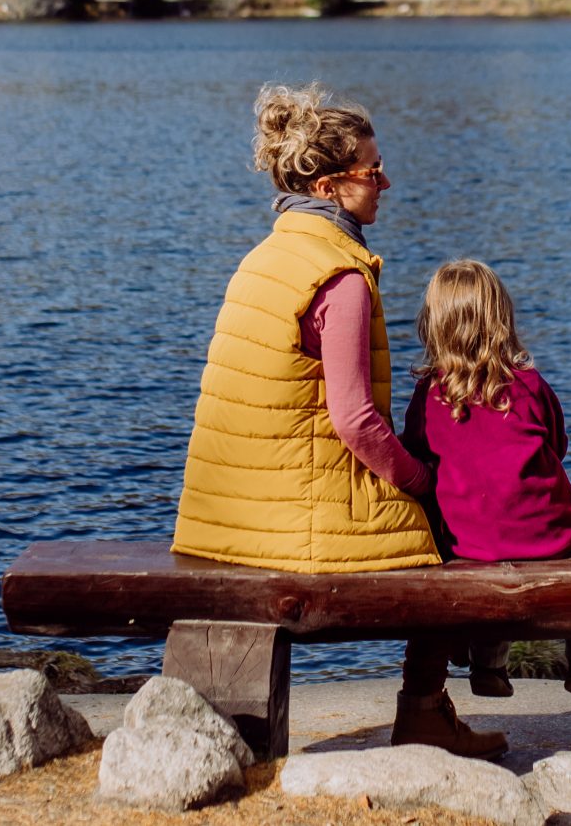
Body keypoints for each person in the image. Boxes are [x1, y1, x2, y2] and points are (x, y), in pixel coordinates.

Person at [172, 83, 506, 758]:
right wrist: (419, 477)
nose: (386, 180)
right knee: (457, 530)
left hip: (229, 514)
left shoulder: (265, 258)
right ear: (328, 185)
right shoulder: (340, 276)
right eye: (371, 169)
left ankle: (430, 705)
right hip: (296, 523)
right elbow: (354, 420)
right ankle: (423, 708)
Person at [399, 259, 571, 702]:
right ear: (502, 319)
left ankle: (488, 667)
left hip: (468, 544)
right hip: (550, 537)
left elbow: (415, 452)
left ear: (434, 324)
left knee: (482, 538)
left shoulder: (429, 395)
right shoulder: (529, 386)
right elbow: (559, 446)